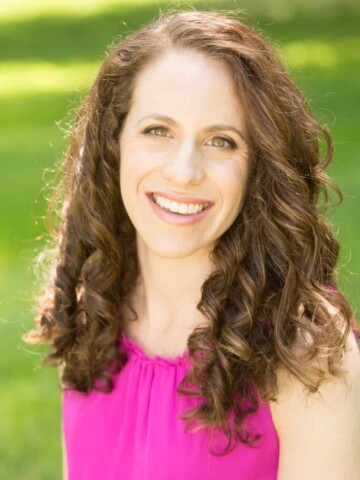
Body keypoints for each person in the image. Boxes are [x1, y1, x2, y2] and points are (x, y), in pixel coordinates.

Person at [25, 8, 360, 480]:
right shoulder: (94, 307)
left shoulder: (306, 350)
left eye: (221, 141)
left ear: (258, 166)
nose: (185, 171)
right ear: (114, 142)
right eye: (157, 131)